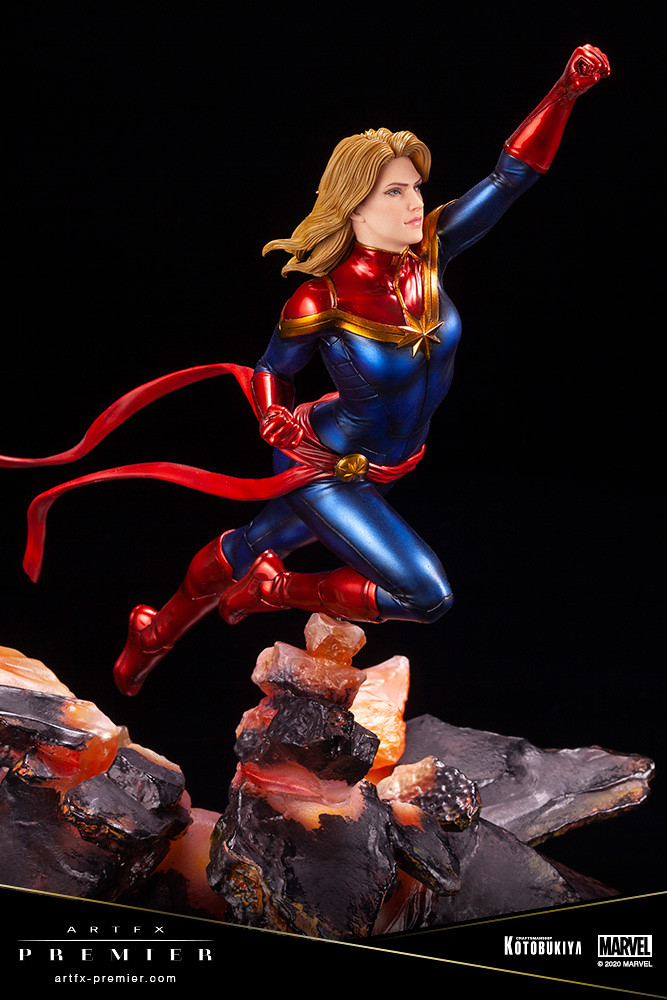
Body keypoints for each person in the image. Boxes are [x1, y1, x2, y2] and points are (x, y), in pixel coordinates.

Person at [1, 45, 610, 696]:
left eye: (415, 187)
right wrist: (270, 412)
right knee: (425, 595)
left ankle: (155, 631)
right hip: (327, 466)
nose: (415, 202)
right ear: (355, 207)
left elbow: (508, 178)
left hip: (387, 465)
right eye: (395, 191)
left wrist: (564, 93)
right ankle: (275, 589)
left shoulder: (430, 253)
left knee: (256, 538)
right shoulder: (322, 299)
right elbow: (272, 367)